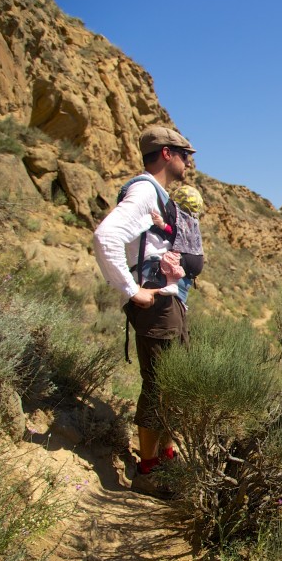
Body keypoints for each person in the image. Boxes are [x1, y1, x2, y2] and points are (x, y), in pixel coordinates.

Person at [92, 125, 196, 498]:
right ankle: (149, 470)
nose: (189, 161)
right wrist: (132, 290)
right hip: (156, 305)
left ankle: (165, 460)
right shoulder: (144, 190)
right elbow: (106, 236)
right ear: (166, 153)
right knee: (157, 386)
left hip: (169, 304)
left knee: (172, 384)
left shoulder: (159, 195)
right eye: (185, 154)